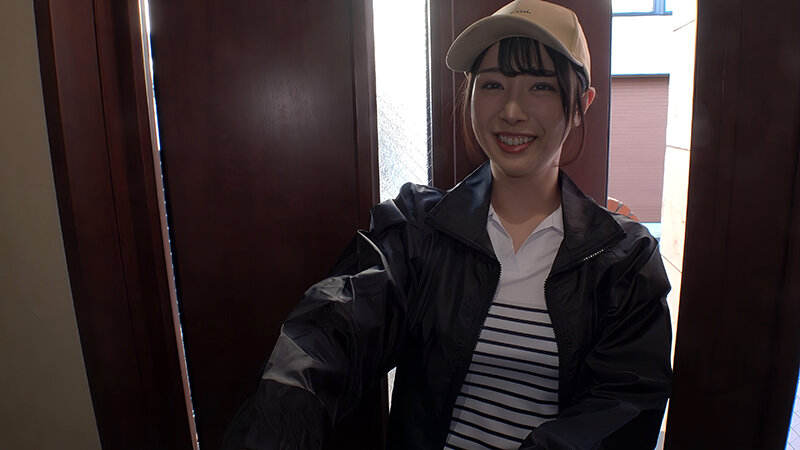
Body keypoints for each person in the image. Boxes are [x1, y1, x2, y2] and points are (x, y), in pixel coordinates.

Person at [224, 0, 672, 448]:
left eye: (541, 86)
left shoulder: (623, 259)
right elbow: (331, 328)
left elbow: (623, 406)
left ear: (580, 106)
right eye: (493, 83)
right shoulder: (418, 227)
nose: (512, 110)